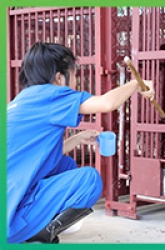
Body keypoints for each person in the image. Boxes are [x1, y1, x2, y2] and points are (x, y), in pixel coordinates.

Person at [7, 42, 155, 244]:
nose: (76, 82)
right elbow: (106, 104)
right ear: (59, 78)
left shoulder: (22, 100)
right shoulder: (52, 94)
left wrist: (76, 140)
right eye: (74, 75)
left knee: (65, 165)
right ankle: (35, 232)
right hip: (10, 221)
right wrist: (137, 84)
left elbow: (32, 155)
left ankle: (35, 224)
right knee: (89, 180)